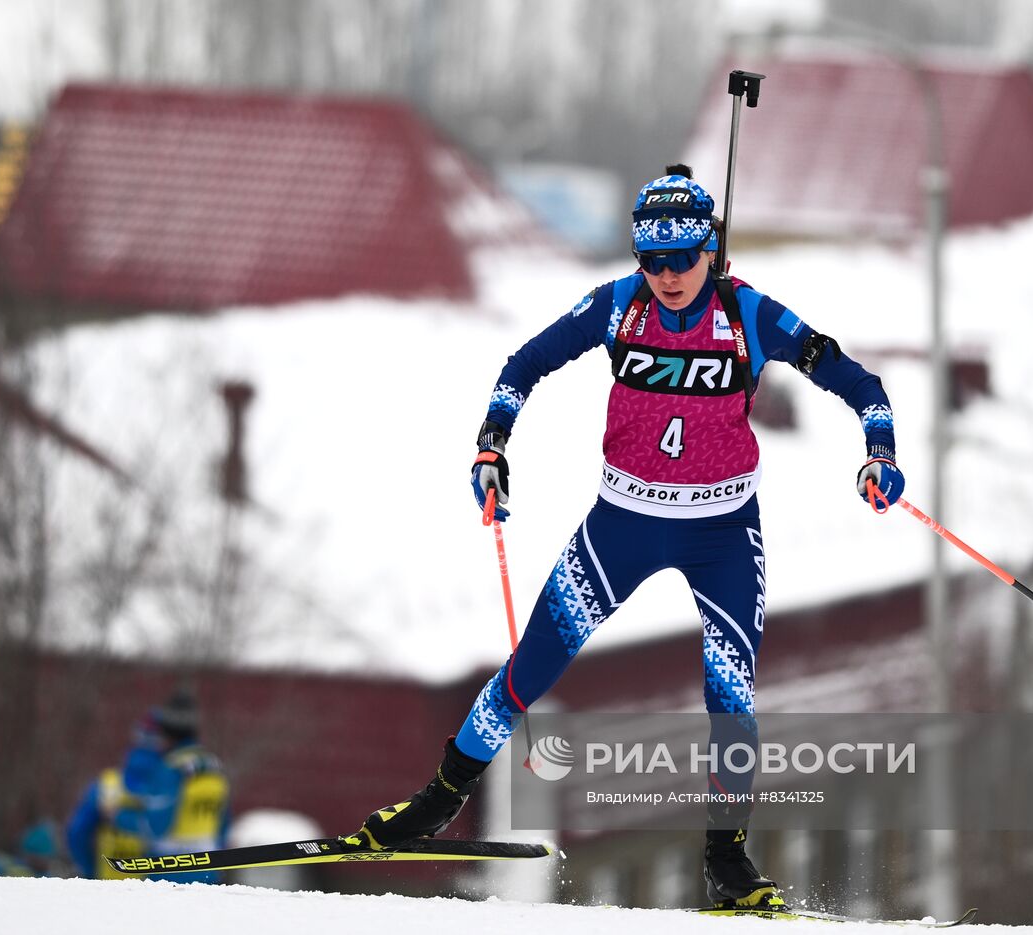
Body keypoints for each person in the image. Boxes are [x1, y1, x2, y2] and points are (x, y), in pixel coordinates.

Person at [356, 169, 905, 909]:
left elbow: (858, 382)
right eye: (654, 260)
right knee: (531, 667)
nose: (669, 275)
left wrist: (880, 452)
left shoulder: (749, 314)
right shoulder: (617, 306)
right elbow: (524, 365)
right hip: (624, 523)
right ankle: (437, 800)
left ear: (710, 248)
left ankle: (726, 859)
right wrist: (492, 447)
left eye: (682, 257)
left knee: (731, 691)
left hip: (722, 531)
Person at [66, 687, 231, 883]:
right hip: (200, 873)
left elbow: (77, 833)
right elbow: (222, 826)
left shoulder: (114, 783)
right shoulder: (208, 769)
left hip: (134, 882)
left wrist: (89, 871)